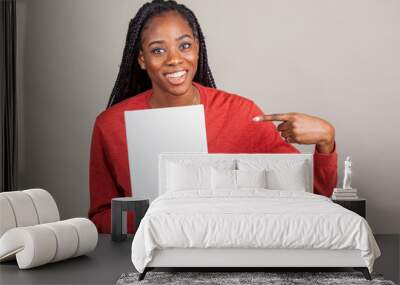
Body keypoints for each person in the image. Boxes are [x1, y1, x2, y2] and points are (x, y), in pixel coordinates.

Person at [89, 0, 337, 233]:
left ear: (197, 48)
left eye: (184, 45)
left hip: (228, 251)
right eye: (158, 50)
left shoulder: (241, 114)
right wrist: (156, 217)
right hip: (149, 258)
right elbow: (100, 217)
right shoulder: (110, 126)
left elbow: (309, 196)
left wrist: (325, 142)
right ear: (142, 59)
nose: (174, 59)